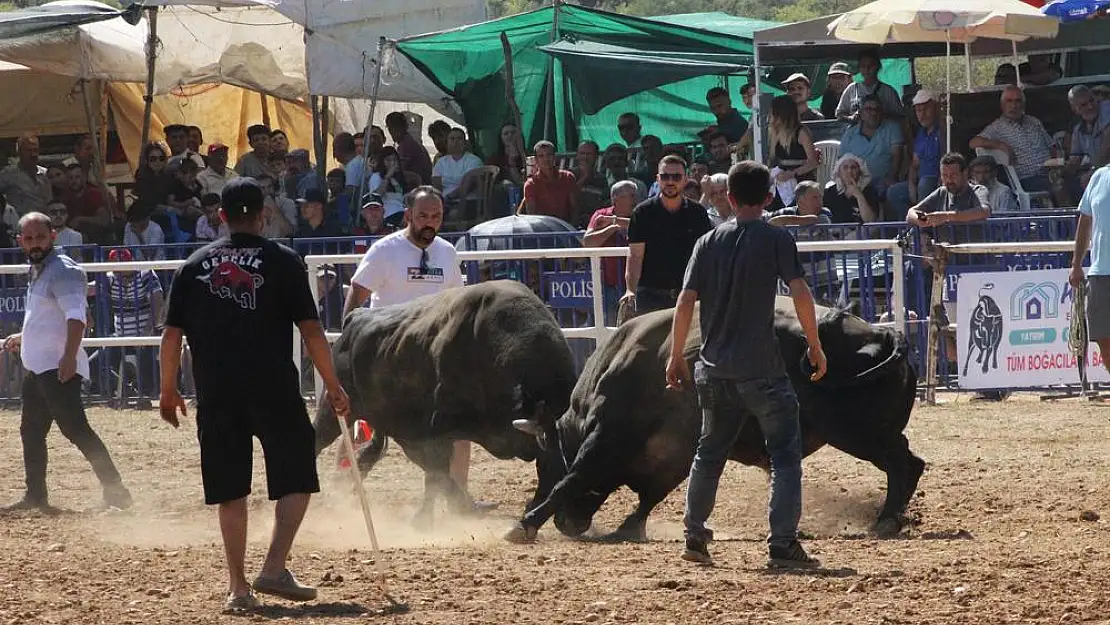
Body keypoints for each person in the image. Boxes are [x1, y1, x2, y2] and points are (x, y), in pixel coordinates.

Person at [158, 177, 351, 611]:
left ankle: (238, 587)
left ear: (221, 217)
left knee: (230, 490)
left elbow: (171, 337)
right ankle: (274, 565)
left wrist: (168, 390)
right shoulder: (283, 261)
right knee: (298, 477)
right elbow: (312, 330)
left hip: (218, 392)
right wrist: (334, 384)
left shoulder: (193, 265)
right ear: (263, 215)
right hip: (274, 389)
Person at [666, 160, 826, 568]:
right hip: (763, 369)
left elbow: (685, 302)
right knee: (785, 456)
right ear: (770, 197)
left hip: (713, 368)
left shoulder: (707, 242)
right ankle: (782, 543)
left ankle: (695, 535)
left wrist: (674, 355)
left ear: (730, 198)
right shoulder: (776, 239)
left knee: (709, 452)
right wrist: (815, 344)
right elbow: (801, 293)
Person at [340, 186, 492, 509]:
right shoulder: (385, 250)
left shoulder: (447, 253)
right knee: (359, 422)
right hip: (386, 354)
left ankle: (459, 499)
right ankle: (342, 491)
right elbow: (357, 293)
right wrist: (348, 342)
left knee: (460, 424)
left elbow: (458, 302)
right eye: (422, 216)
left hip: (432, 356)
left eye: (435, 216)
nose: (429, 223)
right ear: (408, 215)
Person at [3, 212, 132, 512]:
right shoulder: (40, 269)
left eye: (40, 237)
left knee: (76, 429)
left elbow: (77, 319)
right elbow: (49, 317)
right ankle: (36, 496)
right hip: (39, 368)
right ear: (20, 241)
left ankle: (116, 491)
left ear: (53, 236)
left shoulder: (63, 271)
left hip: (57, 367)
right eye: (29, 238)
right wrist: (24, 337)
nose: (35, 243)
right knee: (32, 432)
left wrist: (69, 358)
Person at [623, 155, 712, 317]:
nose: (670, 181)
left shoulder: (698, 213)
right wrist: (630, 290)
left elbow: (706, 256)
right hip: (650, 296)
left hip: (690, 294)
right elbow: (635, 256)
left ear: (685, 179)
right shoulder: (642, 213)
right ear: (657, 179)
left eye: (676, 177)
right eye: (665, 176)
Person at [969, 86, 1056, 195]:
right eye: (1009, 101)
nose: (1014, 105)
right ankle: (1069, 211)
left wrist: (1057, 166)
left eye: (1018, 101)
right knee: (1059, 186)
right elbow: (973, 142)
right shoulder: (997, 128)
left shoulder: (1034, 122)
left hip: (1051, 172)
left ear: (1023, 105)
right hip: (1027, 179)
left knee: (1075, 181)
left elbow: (1051, 146)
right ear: (1002, 105)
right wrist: (1000, 145)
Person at [106, 247, 163, 403]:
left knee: (146, 352)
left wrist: (146, 333)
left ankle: (144, 394)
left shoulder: (145, 273)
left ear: (130, 262)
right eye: (115, 265)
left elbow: (158, 303)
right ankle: (125, 388)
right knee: (97, 361)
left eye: (121, 264)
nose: (118, 269)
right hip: (120, 336)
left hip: (146, 334)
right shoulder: (110, 277)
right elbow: (91, 289)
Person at [1071, 165, 1110, 374]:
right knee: (1103, 337)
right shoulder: (1099, 176)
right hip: (1100, 271)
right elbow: (1085, 219)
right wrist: (1076, 264)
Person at [887, 89, 944, 221]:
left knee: (924, 184)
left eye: (925, 109)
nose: (922, 115)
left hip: (935, 181)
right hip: (920, 181)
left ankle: (924, 231)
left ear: (935, 107)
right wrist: (912, 185)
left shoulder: (943, 130)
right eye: (918, 111)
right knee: (893, 192)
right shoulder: (921, 134)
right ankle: (910, 228)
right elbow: (914, 164)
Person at [584, 180, 637, 325]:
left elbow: (644, 227)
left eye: (635, 195)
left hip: (634, 285)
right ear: (615, 198)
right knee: (607, 328)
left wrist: (615, 221)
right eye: (631, 196)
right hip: (608, 286)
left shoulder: (640, 214)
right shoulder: (601, 214)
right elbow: (588, 242)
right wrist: (611, 228)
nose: (635, 199)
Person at [906, 153, 991, 232]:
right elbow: (911, 213)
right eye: (945, 175)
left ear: (965, 173)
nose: (949, 180)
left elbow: (984, 211)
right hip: (944, 247)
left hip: (973, 247)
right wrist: (921, 220)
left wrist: (946, 216)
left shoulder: (979, 190)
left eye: (953, 175)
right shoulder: (941, 192)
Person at [838, 95, 904, 198]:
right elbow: (841, 160)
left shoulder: (892, 128)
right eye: (868, 109)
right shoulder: (850, 133)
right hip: (856, 182)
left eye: (877, 109)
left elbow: (898, 157)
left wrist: (892, 177)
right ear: (861, 113)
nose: (873, 113)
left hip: (882, 182)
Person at [767, 95, 819, 210]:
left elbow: (813, 162)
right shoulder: (776, 133)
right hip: (781, 180)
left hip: (801, 178)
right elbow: (773, 160)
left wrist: (792, 174)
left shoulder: (801, 132)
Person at [836, 48, 903, 122]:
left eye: (871, 65)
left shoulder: (888, 91)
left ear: (878, 67)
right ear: (859, 68)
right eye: (863, 66)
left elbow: (900, 116)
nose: (867, 69)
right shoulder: (852, 89)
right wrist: (850, 118)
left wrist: (880, 114)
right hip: (856, 132)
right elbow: (839, 114)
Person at [522, 140, 579, 225]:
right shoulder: (531, 184)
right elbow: (532, 216)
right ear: (536, 160)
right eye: (541, 156)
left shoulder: (568, 177)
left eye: (549, 155)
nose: (546, 159)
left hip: (567, 228)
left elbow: (575, 209)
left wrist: (571, 230)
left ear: (554, 157)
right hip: (543, 230)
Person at [0, 134, 52, 216]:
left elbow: (49, 202)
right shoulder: (8, 173)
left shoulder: (44, 174)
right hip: (18, 223)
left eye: (35, 150)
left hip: (42, 222)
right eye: (28, 150)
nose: (33, 154)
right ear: (19, 152)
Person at [824, 154, 880, 224]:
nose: (849, 171)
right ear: (839, 173)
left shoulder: (869, 191)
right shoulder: (830, 192)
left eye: (853, 167)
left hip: (861, 233)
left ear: (860, 172)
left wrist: (859, 196)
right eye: (845, 167)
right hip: (836, 232)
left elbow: (870, 221)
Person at [385, 112, 433, 184]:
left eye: (395, 128)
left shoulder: (406, 145)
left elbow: (398, 170)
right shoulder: (409, 142)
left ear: (405, 127)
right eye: (390, 128)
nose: (392, 132)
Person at [768, 180, 834, 227]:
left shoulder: (825, 213)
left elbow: (813, 219)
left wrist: (784, 221)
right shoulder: (786, 212)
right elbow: (767, 221)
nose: (820, 201)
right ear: (801, 201)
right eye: (815, 198)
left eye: (820, 197)